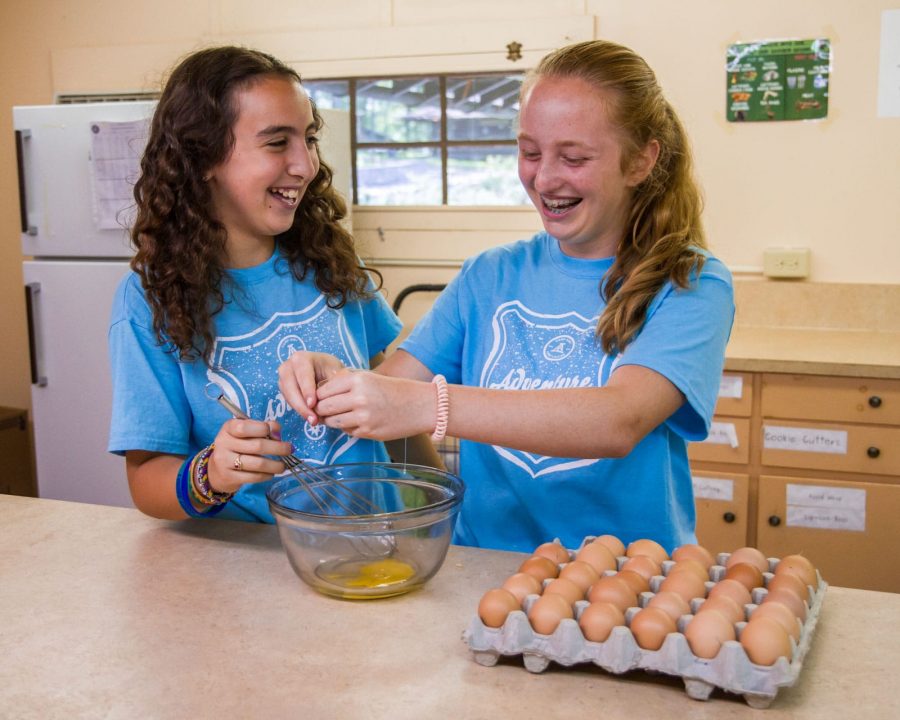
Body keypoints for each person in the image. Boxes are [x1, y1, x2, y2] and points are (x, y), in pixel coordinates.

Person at [278, 39, 735, 553]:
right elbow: (392, 391)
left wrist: (431, 405)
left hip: (628, 578)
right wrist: (335, 384)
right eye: (529, 151)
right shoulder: (488, 276)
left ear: (641, 161)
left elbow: (618, 419)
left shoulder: (690, 282)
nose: (543, 178)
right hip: (485, 571)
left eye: (575, 157)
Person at [108, 46, 438, 522]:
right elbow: (146, 482)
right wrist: (212, 473)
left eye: (308, 138)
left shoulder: (332, 259)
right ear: (204, 157)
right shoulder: (149, 298)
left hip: (372, 544)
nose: (304, 165)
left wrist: (436, 510)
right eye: (277, 142)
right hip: (249, 571)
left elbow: (394, 408)